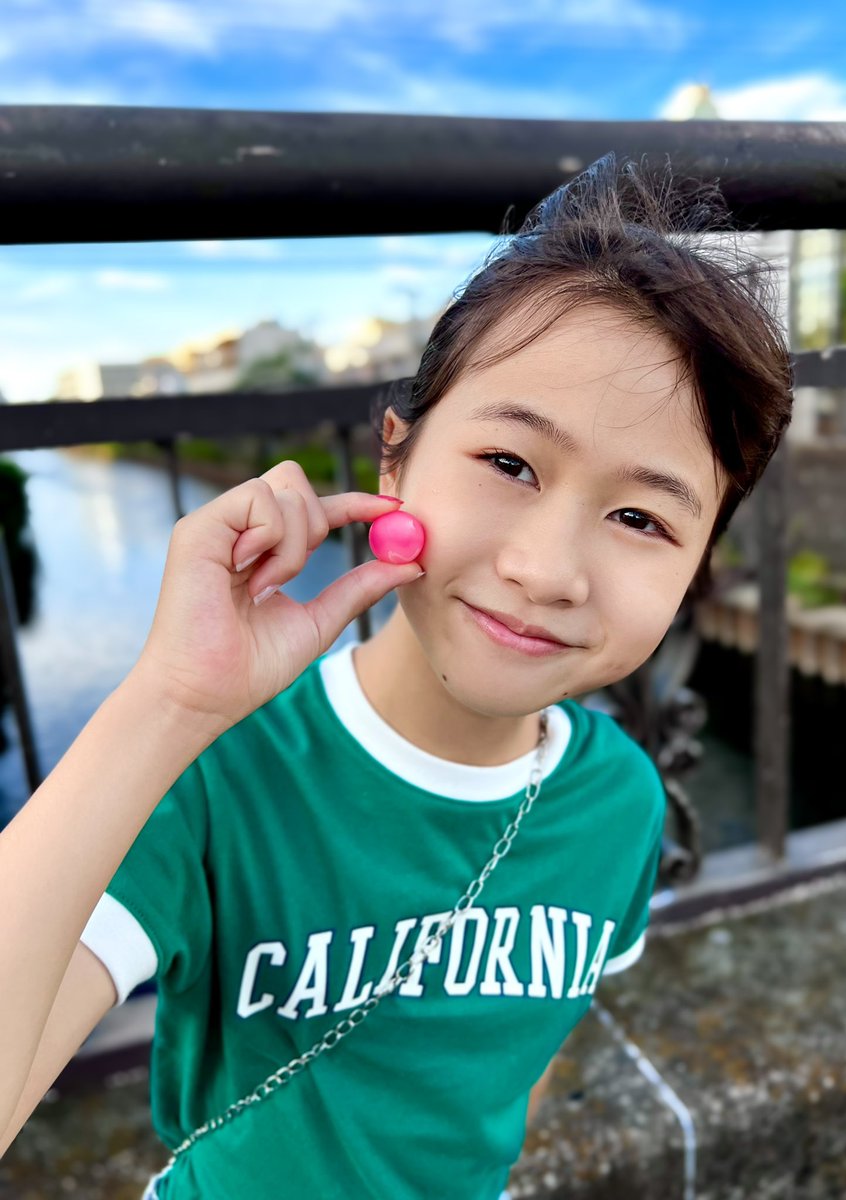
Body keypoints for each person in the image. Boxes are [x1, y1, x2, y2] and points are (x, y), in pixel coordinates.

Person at [0, 155, 792, 1199]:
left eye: (641, 518)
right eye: (509, 464)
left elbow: (511, 1068)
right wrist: (170, 703)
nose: (546, 570)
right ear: (394, 462)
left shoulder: (621, 802)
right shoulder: (216, 770)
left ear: (697, 568)